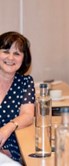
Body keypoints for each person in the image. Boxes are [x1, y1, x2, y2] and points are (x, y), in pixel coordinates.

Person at [0, 31, 35, 162]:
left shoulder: (25, 82)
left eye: (17, 53)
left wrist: (7, 129)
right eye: (5, 51)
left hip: (13, 146)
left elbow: (28, 115)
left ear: (23, 58)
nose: (10, 58)